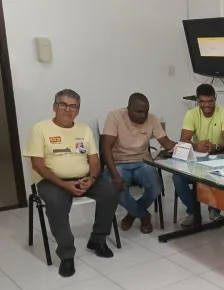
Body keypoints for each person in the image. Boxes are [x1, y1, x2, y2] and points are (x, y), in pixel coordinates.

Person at [23, 89, 120, 277]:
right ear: (54, 107)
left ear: (78, 110)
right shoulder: (40, 129)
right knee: (57, 203)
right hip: (51, 180)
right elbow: (38, 165)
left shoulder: (84, 130)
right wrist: (64, 184)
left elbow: (94, 161)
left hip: (84, 178)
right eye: (63, 105)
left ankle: (98, 240)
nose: (68, 109)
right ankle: (67, 254)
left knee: (110, 191)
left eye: (73, 106)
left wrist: (91, 179)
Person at [101, 93, 176, 233]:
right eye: (139, 112)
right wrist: (115, 176)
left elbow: (167, 144)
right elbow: (106, 148)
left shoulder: (152, 119)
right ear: (128, 108)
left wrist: (192, 147)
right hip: (119, 162)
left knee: (156, 187)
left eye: (146, 112)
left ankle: (133, 213)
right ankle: (143, 215)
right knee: (116, 190)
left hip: (142, 161)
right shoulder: (115, 116)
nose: (143, 116)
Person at [173, 84, 224, 227]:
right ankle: (193, 212)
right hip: (196, 157)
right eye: (202, 101)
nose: (206, 105)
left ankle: (214, 211)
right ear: (198, 101)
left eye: (210, 101)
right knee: (177, 176)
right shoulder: (192, 114)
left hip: (218, 155)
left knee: (215, 176)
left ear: (215, 99)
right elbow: (184, 139)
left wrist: (216, 146)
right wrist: (196, 145)